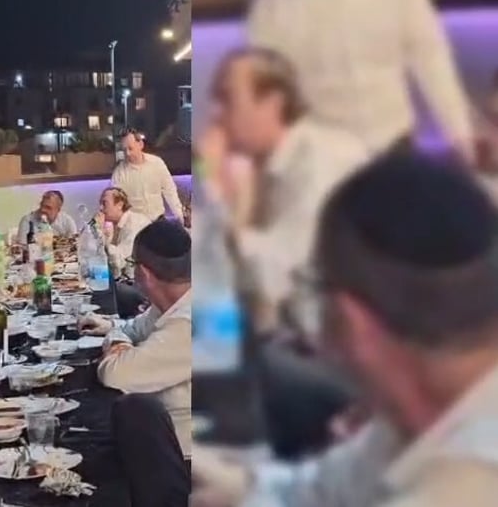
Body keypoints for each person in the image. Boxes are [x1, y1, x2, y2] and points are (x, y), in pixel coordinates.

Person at [191, 152, 498, 507]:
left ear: (353, 322)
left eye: (317, 289)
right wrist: (231, 485)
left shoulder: (464, 486)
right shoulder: (415, 423)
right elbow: (312, 492)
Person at [203, 47, 368, 329]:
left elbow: (275, 278)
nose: (217, 115)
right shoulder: (267, 167)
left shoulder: (320, 160)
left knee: (211, 336)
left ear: (273, 103)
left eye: (227, 99)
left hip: (331, 340)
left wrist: (212, 184)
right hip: (305, 333)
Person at [247, 0, 474, 161]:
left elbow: (430, 57)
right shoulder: (274, 5)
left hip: (392, 147)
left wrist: (462, 136)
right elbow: (265, 79)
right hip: (319, 161)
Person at [78, 220, 191, 474]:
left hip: (185, 461)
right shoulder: (174, 304)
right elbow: (130, 328)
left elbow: (114, 373)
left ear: (144, 273)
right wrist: (115, 334)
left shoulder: (190, 325)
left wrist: (117, 347)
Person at [111, 129, 184, 221]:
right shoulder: (119, 173)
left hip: (159, 221)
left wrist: (181, 217)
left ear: (141, 145)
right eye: (124, 150)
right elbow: (115, 204)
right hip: (136, 225)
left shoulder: (157, 163)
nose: (127, 153)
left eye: (130, 148)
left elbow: (170, 191)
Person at [95, 187, 152, 278]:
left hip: (135, 279)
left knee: (91, 279)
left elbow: (119, 262)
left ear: (120, 205)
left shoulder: (134, 224)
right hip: (120, 276)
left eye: (104, 203)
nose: (100, 208)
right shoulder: (112, 224)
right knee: (88, 275)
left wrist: (99, 231)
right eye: (100, 204)